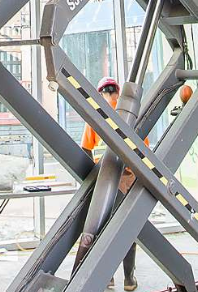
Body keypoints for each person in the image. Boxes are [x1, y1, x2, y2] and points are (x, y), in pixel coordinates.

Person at [80, 76, 140, 291]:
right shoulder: (132, 116)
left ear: (100, 93)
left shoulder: (96, 116)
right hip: (127, 179)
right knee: (127, 229)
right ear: (117, 92)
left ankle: (108, 278)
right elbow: (144, 150)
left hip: (105, 180)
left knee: (104, 229)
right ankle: (129, 279)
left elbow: (86, 149)